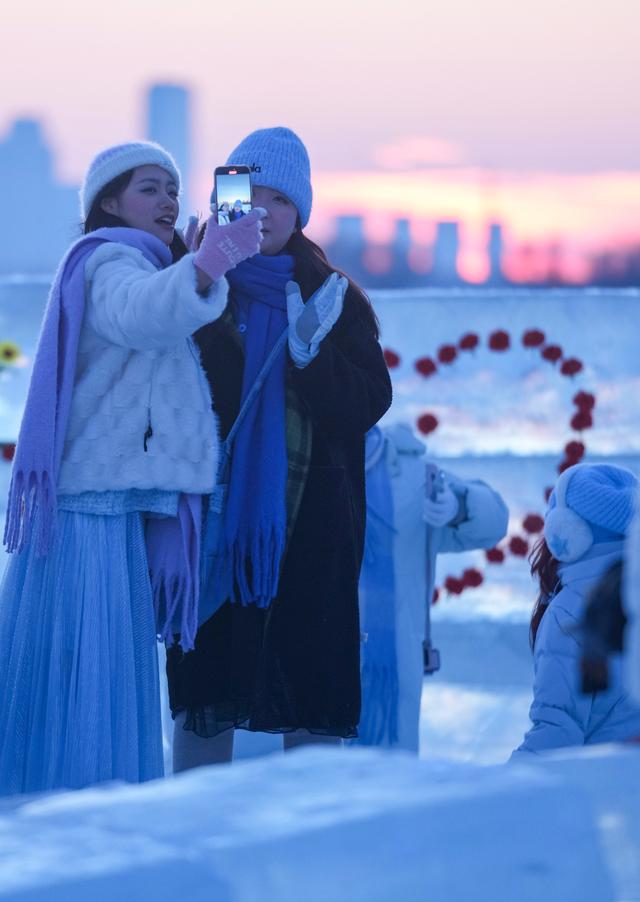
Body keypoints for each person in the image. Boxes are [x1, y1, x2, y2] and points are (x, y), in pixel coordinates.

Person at [0, 140, 263, 795]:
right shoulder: (110, 261)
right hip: (91, 512)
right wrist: (205, 264)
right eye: (149, 188)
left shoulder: (144, 265)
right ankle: (82, 803)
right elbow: (142, 314)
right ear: (109, 202)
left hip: (106, 505)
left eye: (173, 189)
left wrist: (195, 267)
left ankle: (65, 796)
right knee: (93, 671)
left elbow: (159, 311)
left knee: (88, 673)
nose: (168, 200)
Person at [166, 126, 392, 769]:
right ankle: (190, 822)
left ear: (301, 214)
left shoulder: (331, 295)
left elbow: (367, 402)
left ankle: (311, 826)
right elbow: (167, 381)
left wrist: (309, 354)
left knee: (310, 697)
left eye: (281, 200)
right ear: (225, 201)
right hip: (213, 526)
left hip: (310, 530)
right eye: (249, 194)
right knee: (204, 694)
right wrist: (194, 280)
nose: (263, 211)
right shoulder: (193, 282)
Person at [355, 422, 508, 752]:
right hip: (316, 655)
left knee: (388, 766)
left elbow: (495, 520)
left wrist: (459, 507)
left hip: (393, 663)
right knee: (314, 770)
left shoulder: (414, 476)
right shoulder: (303, 461)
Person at [512, 463, 640, 758]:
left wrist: (496, 782)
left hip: (603, 780)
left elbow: (557, 733)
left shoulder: (572, 612)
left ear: (566, 532)